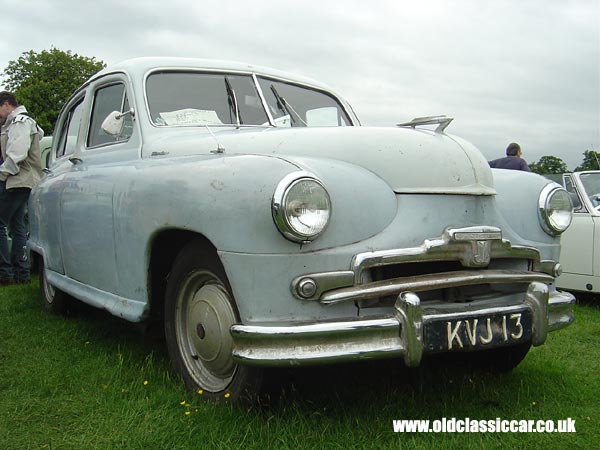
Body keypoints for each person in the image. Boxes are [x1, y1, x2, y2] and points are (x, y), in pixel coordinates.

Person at [0, 91, 43, 284]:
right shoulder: (24, 121)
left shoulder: (19, 122)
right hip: (24, 180)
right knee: (16, 225)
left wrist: (1, 175)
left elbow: (16, 155)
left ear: (6, 104)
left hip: (17, 180)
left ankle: (5, 272)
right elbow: (40, 134)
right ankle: (21, 273)